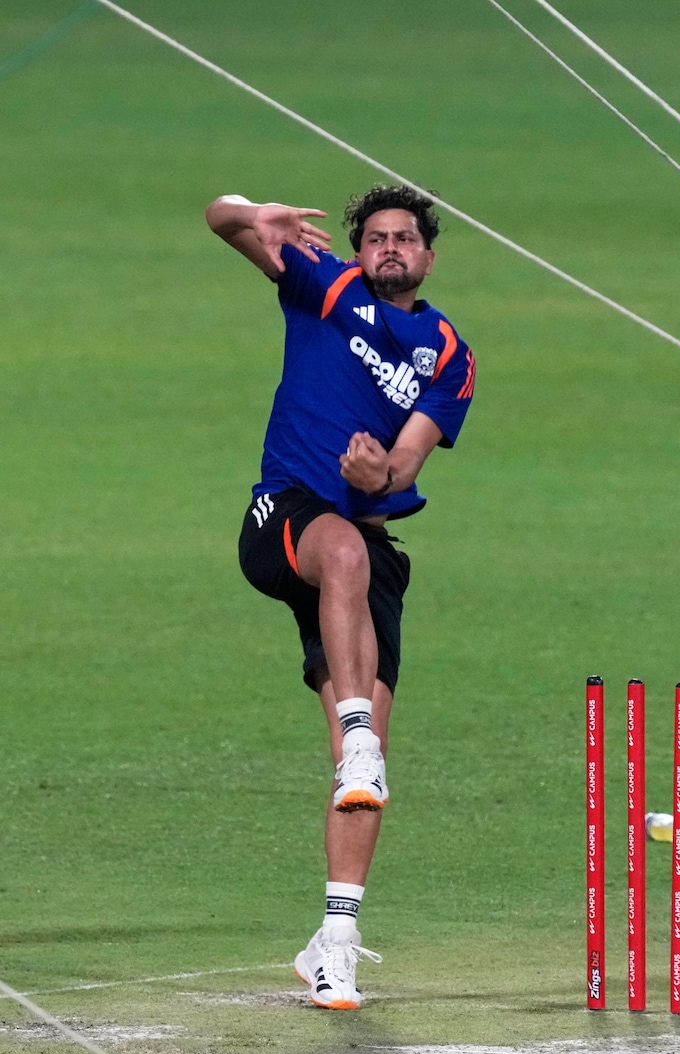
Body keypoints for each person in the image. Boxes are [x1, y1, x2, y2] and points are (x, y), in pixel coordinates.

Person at [205, 184, 475, 1009]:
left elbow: (407, 461)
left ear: (427, 257)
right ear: (358, 250)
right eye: (377, 237)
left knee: (363, 771)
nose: (390, 246)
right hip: (285, 517)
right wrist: (253, 216)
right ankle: (358, 736)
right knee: (346, 551)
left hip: (366, 551)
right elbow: (218, 217)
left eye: (405, 238)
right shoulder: (324, 284)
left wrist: (379, 474)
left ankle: (335, 941)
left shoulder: (447, 353)